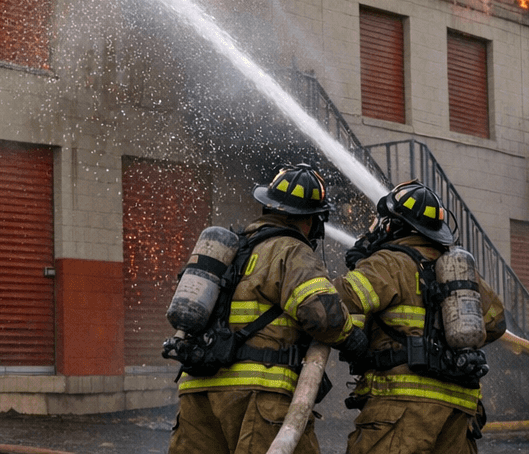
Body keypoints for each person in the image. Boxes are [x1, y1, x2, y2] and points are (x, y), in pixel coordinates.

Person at [169, 163, 369, 454]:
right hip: (257, 395)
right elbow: (322, 315)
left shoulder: (232, 249)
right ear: (311, 221)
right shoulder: (291, 250)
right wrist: (353, 339)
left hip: (197, 394)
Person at [337, 181, 507, 454]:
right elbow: (496, 321)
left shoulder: (388, 263)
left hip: (402, 408)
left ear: (394, 225)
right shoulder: (458, 270)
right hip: (459, 409)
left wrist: (359, 265)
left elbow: (335, 304)